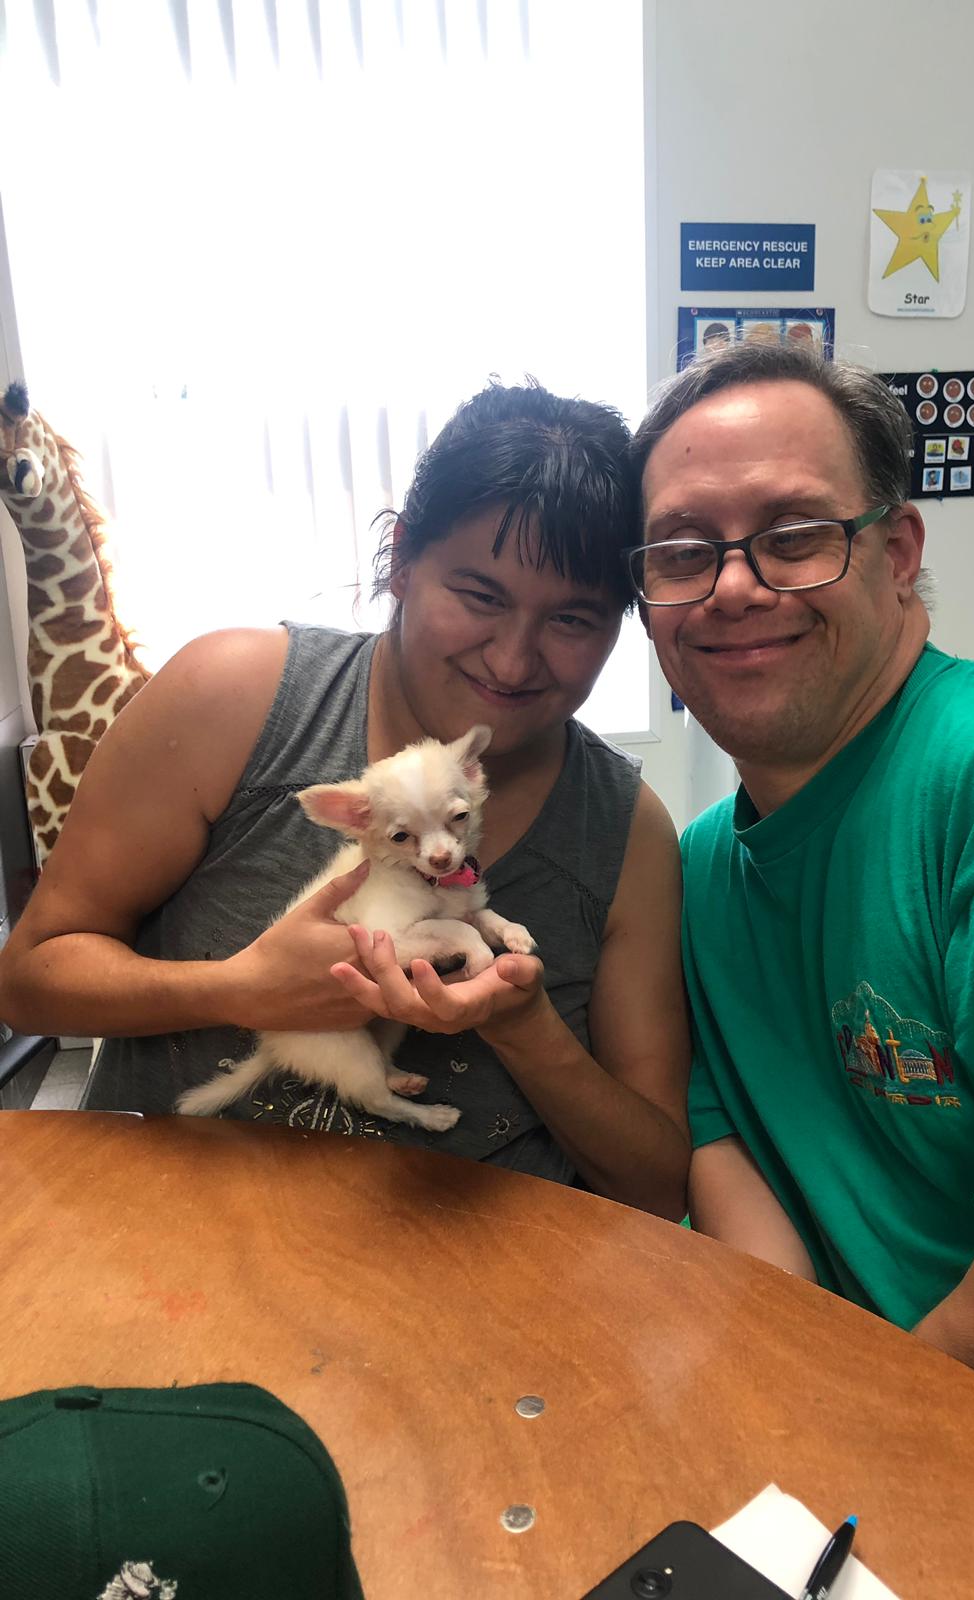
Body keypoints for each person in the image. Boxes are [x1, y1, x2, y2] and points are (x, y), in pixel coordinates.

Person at [626, 337, 974, 1507]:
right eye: (684, 552)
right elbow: (727, 1150)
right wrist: (790, 1404)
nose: (733, 587)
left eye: (792, 534)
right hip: (871, 1428)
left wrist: (856, 1445)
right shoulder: (694, 873)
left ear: (897, 551)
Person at [0, 380, 690, 1219]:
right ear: (401, 559)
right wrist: (237, 989)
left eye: (573, 621)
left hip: (482, 1295)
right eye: (479, 596)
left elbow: (655, 1184)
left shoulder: (627, 834)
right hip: (174, 1247)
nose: (512, 663)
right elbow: (31, 980)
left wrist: (524, 1026)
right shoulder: (235, 700)